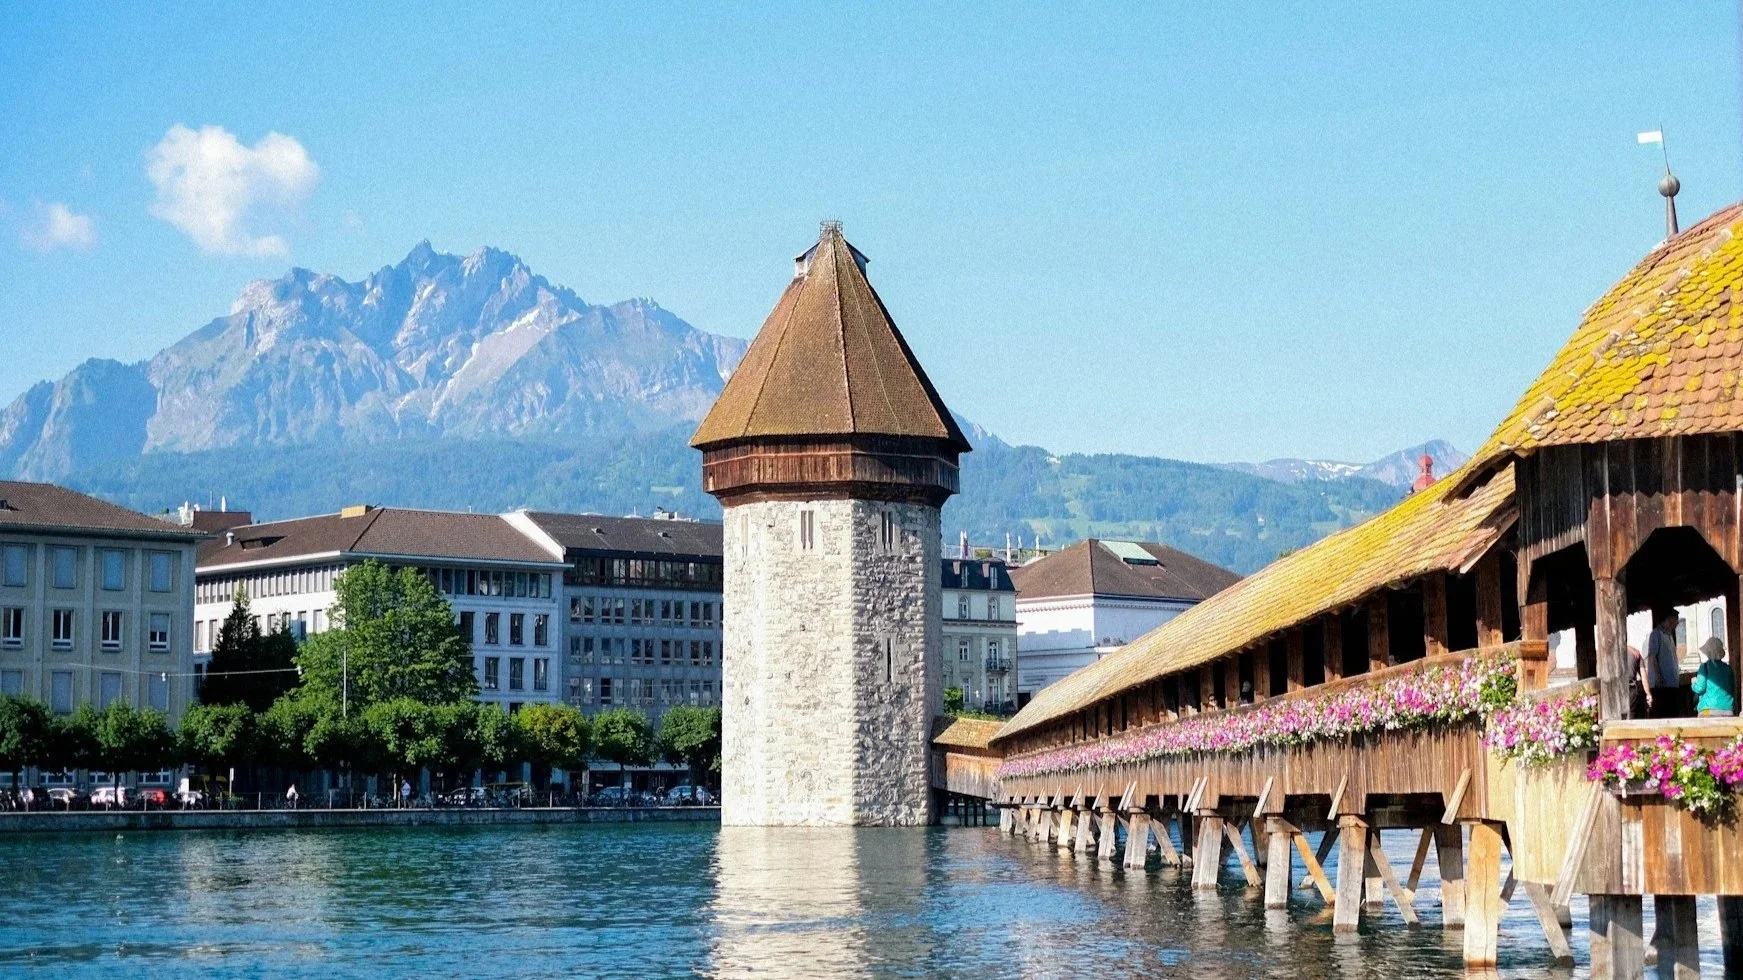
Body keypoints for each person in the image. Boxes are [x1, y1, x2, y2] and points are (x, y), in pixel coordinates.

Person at [1645, 610, 1684, 718]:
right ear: (1668, 620)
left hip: (1671, 682)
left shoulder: (1669, 635)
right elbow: (1652, 657)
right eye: (1675, 620)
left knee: (1671, 712)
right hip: (1661, 684)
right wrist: (1658, 677)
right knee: (1661, 713)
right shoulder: (1656, 634)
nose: (1677, 623)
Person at [1692, 636, 1737, 717]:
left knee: (1702, 720)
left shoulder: (1704, 667)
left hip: (1708, 711)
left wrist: (1693, 683)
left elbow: (1700, 688)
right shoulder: (1728, 668)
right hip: (1728, 711)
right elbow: (1732, 688)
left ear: (1708, 652)